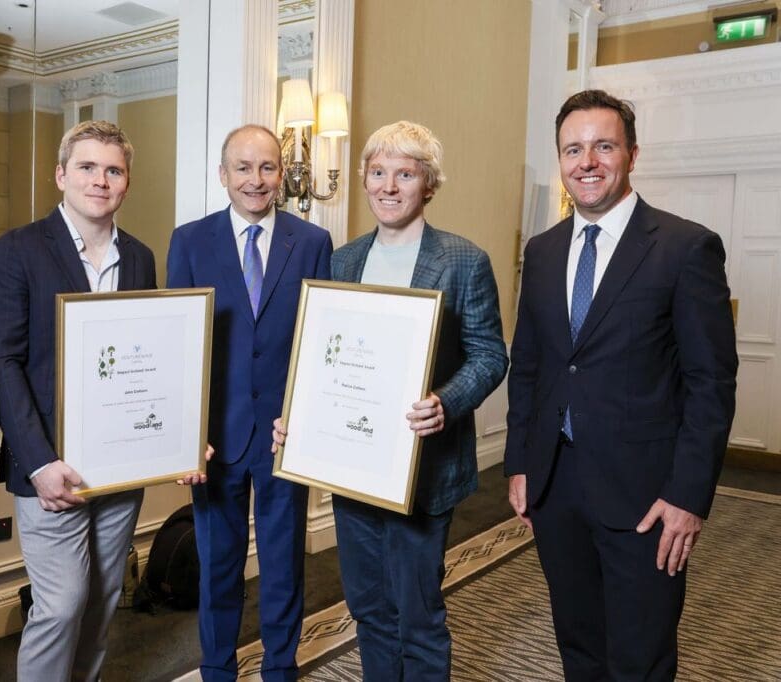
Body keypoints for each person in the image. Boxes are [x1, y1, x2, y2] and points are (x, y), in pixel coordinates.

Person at [504, 89, 738, 680]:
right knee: (578, 646)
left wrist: (688, 496)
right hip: (556, 487)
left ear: (632, 154)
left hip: (647, 497)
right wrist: (520, 463)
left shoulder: (685, 248)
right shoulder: (543, 251)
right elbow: (529, 365)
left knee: (640, 658)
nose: (587, 161)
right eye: (572, 149)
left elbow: (711, 383)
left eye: (603, 147)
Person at [272, 120, 508, 681]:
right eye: (377, 172)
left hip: (424, 472)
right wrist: (299, 418)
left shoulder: (463, 259)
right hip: (354, 469)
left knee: (417, 617)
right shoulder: (344, 260)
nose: (388, 186)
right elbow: (327, 356)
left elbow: (490, 356)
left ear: (429, 184)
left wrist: (444, 402)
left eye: (405, 174)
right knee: (370, 611)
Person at [0, 120, 161, 682]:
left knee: (103, 599)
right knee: (60, 605)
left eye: (113, 170)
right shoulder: (18, 249)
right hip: (51, 468)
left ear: (127, 182)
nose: (100, 180)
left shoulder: (139, 257)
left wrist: (168, 438)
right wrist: (38, 463)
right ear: (60, 175)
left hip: (121, 466)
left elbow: (146, 358)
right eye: (86, 167)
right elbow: (3, 363)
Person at [167, 124, 332, 681]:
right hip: (215, 440)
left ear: (281, 174)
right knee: (218, 567)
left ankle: (280, 669)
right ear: (223, 174)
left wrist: (308, 416)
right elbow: (180, 344)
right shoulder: (190, 242)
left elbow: (320, 340)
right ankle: (218, 670)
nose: (255, 179)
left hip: (286, 435)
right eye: (242, 167)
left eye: (266, 167)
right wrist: (187, 433)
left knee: (284, 567)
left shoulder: (312, 242)